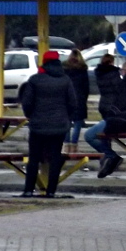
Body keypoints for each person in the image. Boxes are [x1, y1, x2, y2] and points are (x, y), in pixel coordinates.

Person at [19, 50, 77, 198]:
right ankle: (51, 191)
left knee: (34, 158)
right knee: (55, 158)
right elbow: (72, 103)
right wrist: (66, 118)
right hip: (59, 126)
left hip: (38, 125)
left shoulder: (35, 80)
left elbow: (27, 103)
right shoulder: (65, 80)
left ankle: (28, 190)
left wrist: (31, 116)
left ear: (44, 62)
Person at [85, 58, 126, 178]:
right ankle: (108, 157)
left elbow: (121, 103)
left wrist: (111, 113)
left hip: (121, 120)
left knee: (89, 135)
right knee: (101, 135)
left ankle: (111, 155)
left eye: (122, 70)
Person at [63, 49, 89, 153]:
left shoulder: (65, 69)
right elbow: (86, 87)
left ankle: (66, 145)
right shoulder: (83, 70)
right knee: (77, 123)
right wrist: (84, 99)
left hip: (67, 99)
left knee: (67, 123)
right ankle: (74, 145)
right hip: (80, 99)